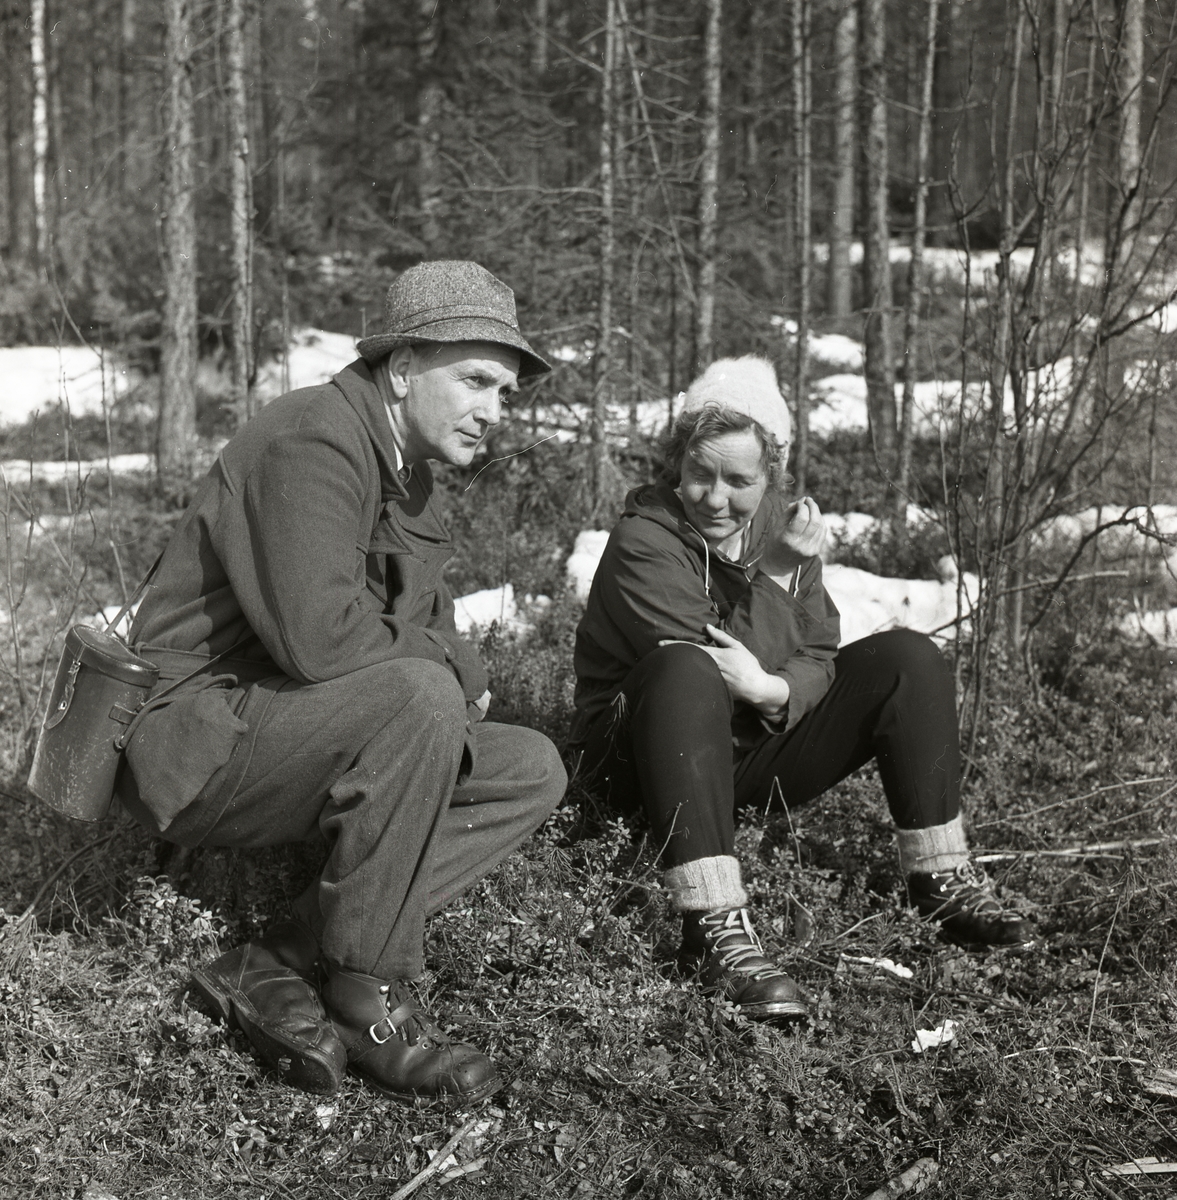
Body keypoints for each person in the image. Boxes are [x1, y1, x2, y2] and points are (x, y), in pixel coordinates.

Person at [117, 260, 567, 1101]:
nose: (492, 413)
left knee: (527, 768)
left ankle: (280, 957)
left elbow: (418, 628)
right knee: (422, 696)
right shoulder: (313, 439)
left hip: (288, 724)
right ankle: (369, 995)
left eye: (504, 393)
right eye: (474, 380)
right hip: (199, 742)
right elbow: (320, 643)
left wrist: (442, 667)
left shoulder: (412, 470)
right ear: (401, 368)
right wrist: (451, 670)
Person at [571, 355, 1033, 1023]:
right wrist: (778, 581)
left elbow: (819, 647)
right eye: (699, 474)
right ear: (676, 464)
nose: (715, 497)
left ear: (772, 476)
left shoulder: (779, 529)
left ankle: (939, 879)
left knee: (907, 656)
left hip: (741, 749)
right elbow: (705, 671)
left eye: (739, 480)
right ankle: (712, 927)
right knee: (683, 667)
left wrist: (777, 692)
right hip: (638, 766)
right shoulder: (643, 538)